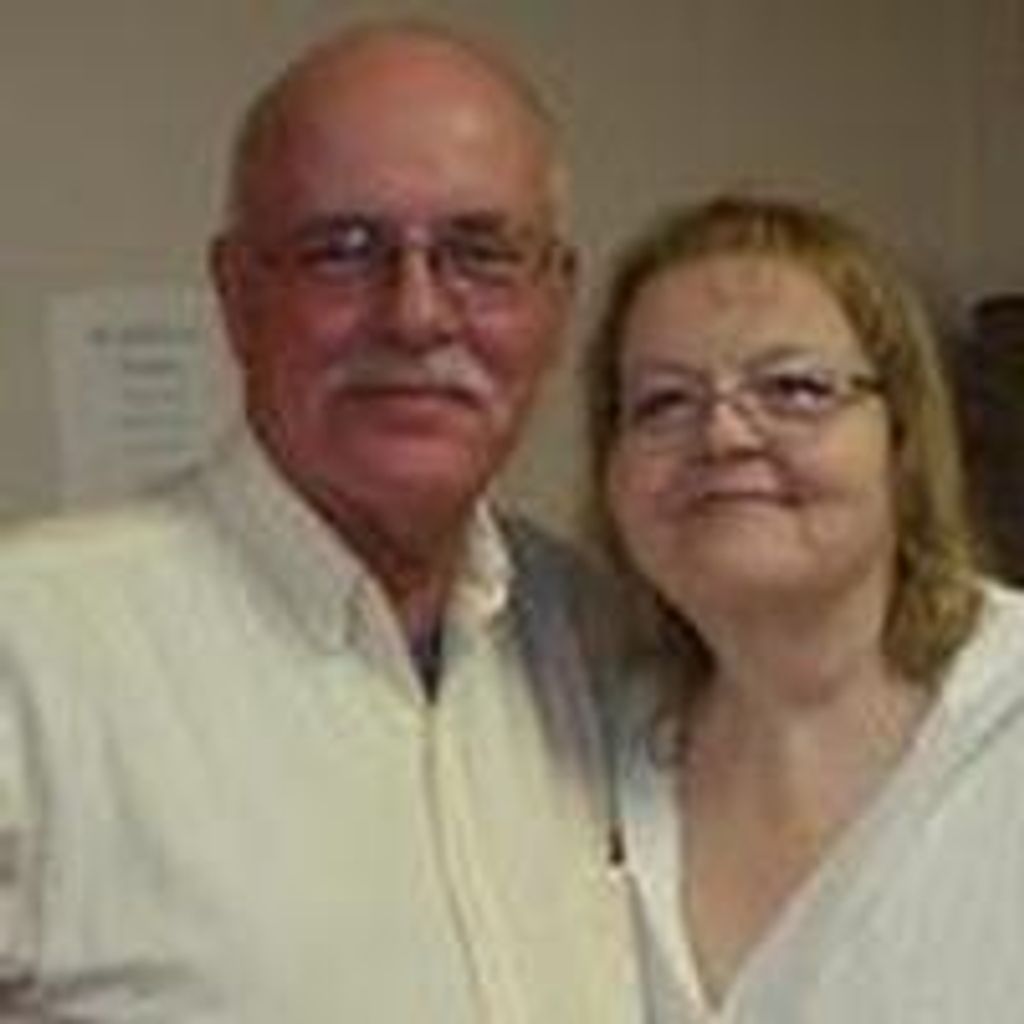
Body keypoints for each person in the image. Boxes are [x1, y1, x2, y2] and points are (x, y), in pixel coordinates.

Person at [0, 22, 643, 1022]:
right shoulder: (31, 649)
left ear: (557, 301)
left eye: (480, 253)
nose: (416, 315)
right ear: (236, 294)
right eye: (342, 251)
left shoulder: (604, 642)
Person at [585, 193, 1024, 1022]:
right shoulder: (583, 747)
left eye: (793, 388)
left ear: (902, 442)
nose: (722, 436)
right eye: (664, 402)